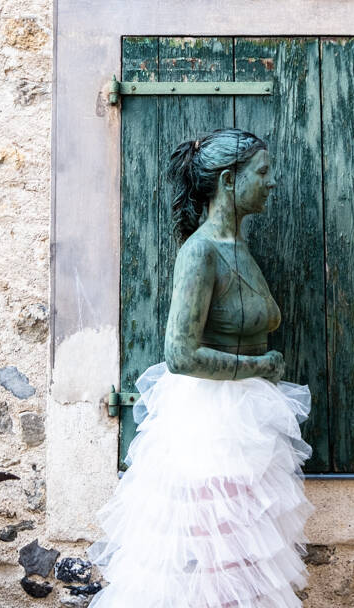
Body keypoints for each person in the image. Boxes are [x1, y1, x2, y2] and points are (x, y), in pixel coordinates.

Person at [90, 128, 314, 608]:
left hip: (243, 415)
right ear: (230, 181)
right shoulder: (201, 252)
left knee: (240, 558)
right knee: (215, 555)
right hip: (212, 423)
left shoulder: (237, 248)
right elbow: (181, 354)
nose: (272, 182)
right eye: (263, 172)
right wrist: (258, 364)